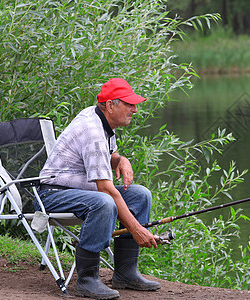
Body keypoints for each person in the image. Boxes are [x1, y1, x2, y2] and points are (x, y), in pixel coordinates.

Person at [37, 78, 160, 299]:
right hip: (52, 194)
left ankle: (125, 273)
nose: (135, 109)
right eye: (129, 104)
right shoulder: (92, 130)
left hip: (81, 192)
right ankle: (87, 280)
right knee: (104, 201)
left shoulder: (102, 121)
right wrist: (136, 229)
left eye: (135, 103)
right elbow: (105, 190)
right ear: (111, 105)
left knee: (140, 195)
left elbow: (108, 156)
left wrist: (120, 159)